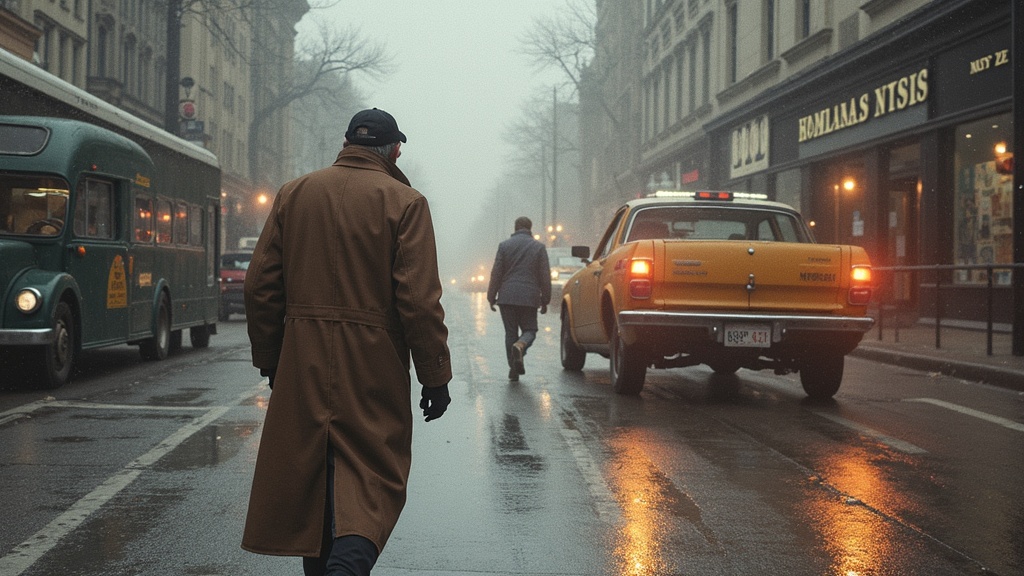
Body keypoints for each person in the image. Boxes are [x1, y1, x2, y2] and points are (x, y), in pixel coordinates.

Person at [241, 108, 452, 576]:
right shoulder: (405, 202)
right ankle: (348, 569)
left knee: (313, 477)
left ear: (345, 144)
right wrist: (434, 376)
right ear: (394, 149)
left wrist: (272, 356)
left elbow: (259, 286)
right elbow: (418, 301)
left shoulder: (294, 194)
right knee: (372, 478)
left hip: (302, 357)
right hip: (373, 362)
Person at [486, 216, 551, 381]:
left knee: (510, 333)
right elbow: (545, 276)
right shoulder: (539, 248)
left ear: (515, 228)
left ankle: (513, 369)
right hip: (529, 297)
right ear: (530, 228)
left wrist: (491, 295)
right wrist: (546, 299)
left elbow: (497, 272)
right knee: (530, 330)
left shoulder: (504, 246)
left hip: (507, 296)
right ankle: (521, 346)